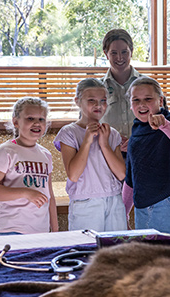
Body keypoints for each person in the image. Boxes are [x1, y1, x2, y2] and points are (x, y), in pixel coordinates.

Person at [122, 76, 170, 244]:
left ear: (161, 101)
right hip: (145, 204)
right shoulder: (137, 129)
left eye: (148, 99)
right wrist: (124, 210)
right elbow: (132, 174)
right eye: (136, 100)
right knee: (149, 258)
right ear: (130, 104)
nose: (142, 104)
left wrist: (165, 125)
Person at [53, 78, 127, 232]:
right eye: (91, 100)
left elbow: (121, 174)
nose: (98, 105)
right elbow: (73, 174)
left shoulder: (111, 134)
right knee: (88, 251)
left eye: (103, 100)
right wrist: (87, 141)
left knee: (116, 250)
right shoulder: (69, 132)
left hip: (114, 199)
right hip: (85, 201)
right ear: (78, 101)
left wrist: (104, 144)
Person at [0, 97, 59, 235]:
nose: (37, 123)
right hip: (11, 229)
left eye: (41, 119)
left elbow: (50, 196)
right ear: (16, 122)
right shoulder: (5, 151)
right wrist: (26, 193)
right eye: (30, 118)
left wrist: (55, 230)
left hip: (40, 231)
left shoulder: (45, 154)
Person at [101, 28, 142, 153]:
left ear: (131, 51)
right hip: (108, 156)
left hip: (143, 153)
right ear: (106, 54)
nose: (119, 57)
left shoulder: (148, 86)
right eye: (114, 53)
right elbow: (86, 125)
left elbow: (162, 120)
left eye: (124, 52)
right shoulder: (97, 89)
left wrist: (136, 139)